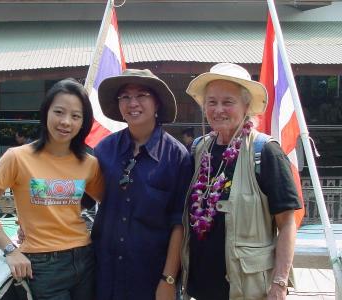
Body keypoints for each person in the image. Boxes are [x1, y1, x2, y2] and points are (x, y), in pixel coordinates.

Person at [0, 78, 105, 300]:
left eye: (75, 116)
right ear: (46, 113)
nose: (66, 122)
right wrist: (10, 251)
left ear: (83, 122)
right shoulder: (17, 158)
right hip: (42, 265)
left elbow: (109, 202)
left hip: (85, 258)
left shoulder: (89, 163)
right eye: (59, 112)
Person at [181, 63, 302, 300]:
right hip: (201, 288)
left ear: (246, 106)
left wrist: (279, 284)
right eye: (212, 102)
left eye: (228, 102)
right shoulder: (198, 149)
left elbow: (287, 223)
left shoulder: (265, 152)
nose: (218, 109)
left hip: (249, 289)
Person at [92, 69, 193, 300]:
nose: (132, 103)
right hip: (104, 273)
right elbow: (78, 200)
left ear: (157, 103)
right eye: (125, 97)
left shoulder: (177, 157)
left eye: (142, 95)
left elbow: (179, 223)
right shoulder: (104, 150)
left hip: (151, 276)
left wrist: (168, 279)